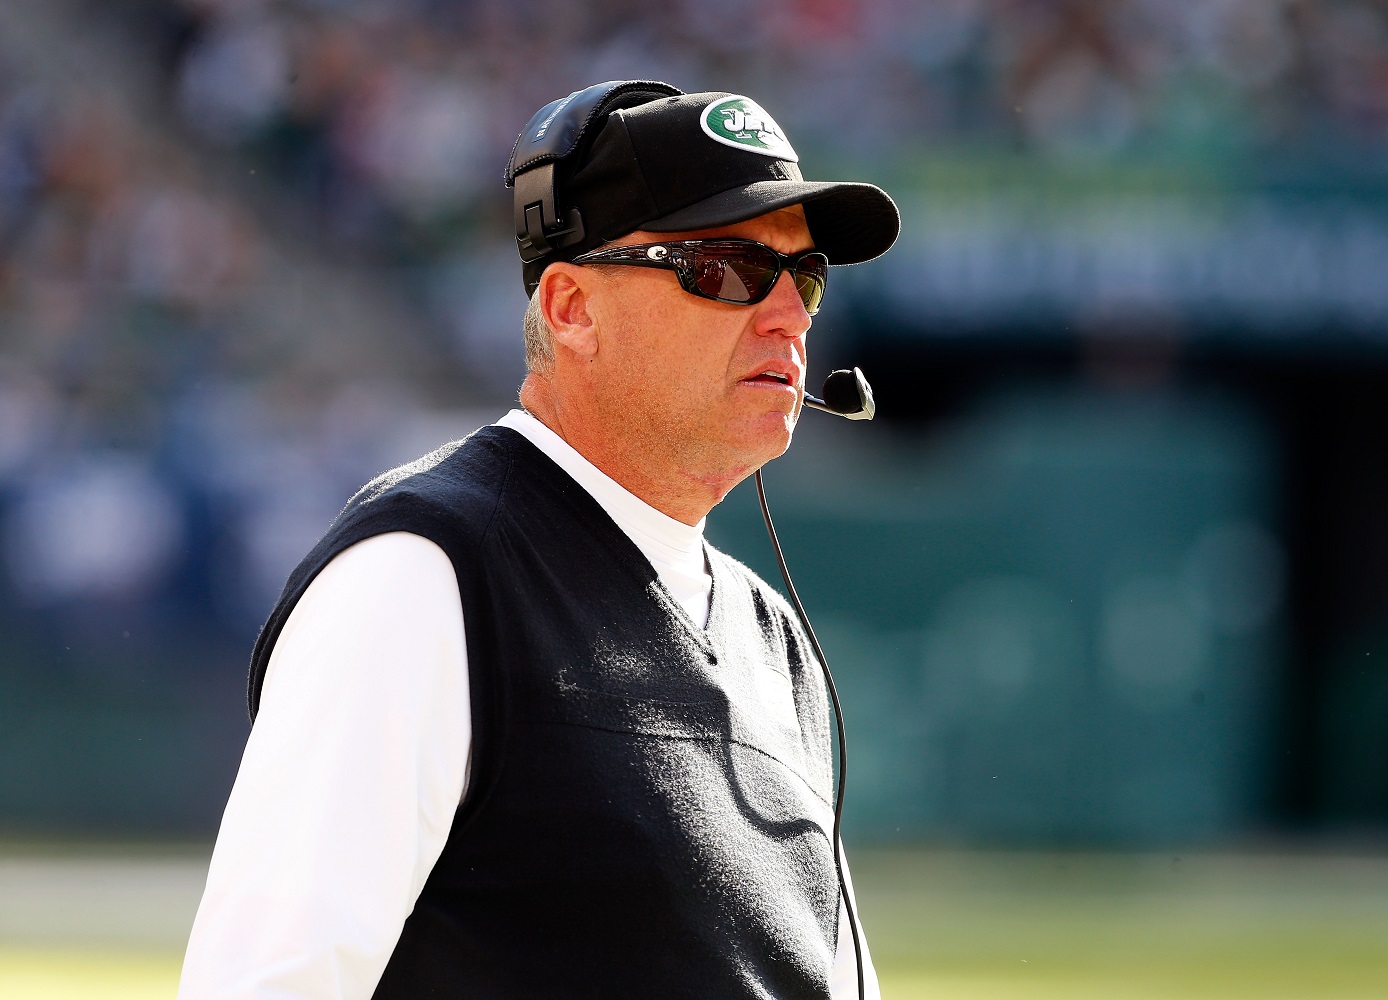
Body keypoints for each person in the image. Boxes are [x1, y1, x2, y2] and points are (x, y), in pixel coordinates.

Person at [178, 83, 900, 999]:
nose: (788, 315)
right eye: (726, 268)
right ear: (570, 309)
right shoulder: (424, 572)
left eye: (804, 276)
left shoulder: (772, 635)